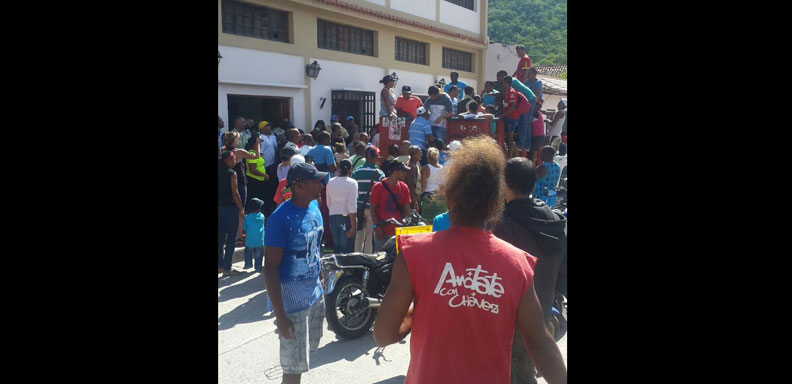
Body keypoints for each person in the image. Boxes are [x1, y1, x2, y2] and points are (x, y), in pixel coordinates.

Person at [373, 136, 567, 384]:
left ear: (449, 196)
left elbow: (383, 335)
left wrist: (416, 311)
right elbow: (540, 344)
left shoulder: (413, 254)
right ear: (496, 204)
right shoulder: (518, 264)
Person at [492, 157, 566, 384]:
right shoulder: (556, 221)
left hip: (504, 319)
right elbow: (563, 279)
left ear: (504, 183)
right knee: (525, 376)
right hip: (541, 317)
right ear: (534, 185)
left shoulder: (500, 224)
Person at [264, 162, 328, 384]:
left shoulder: (314, 207)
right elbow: (270, 267)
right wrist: (281, 316)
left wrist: (319, 275)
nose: (321, 185)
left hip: (314, 294)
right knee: (293, 365)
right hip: (291, 303)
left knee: (310, 349)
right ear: (299, 186)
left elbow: (316, 246)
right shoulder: (280, 219)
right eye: (315, 181)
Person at [222, 131, 260, 239]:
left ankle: (227, 233)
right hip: (239, 182)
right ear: (234, 141)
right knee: (240, 208)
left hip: (225, 182)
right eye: (237, 139)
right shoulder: (239, 152)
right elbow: (256, 156)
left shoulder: (222, 151)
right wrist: (257, 144)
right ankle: (239, 234)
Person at [370, 161, 412, 252]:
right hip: (382, 232)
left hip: (398, 233)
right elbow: (372, 209)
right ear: (395, 172)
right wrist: (377, 228)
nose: (405, 173)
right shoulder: (378, 187)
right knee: (379, 259)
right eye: (403, 171)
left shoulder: (404, 187)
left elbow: (406, 209)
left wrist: (406, 225)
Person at [350, 146, 386, 253]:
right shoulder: (380, 174)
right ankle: (368, 258)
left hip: (359, 210)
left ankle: (357, 257)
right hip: (372, 211)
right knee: (370, 235)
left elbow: (353, 191)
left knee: (359, 235)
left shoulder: (356, 172)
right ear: (375, 158)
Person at [307, 131, 337, 250]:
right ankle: (328, 242)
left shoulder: (311, 150)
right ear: (325, 140)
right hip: (324, 184)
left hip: (311, 185)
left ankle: (316, 242)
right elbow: (331, 167)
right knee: (325, 213)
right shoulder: (327, 150)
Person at [218, 151, 245, 277]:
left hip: (219, 208)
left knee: (220, 237)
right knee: (231, 238)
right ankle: (227, 267)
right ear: (228, 160)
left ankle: (220, 265)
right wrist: (241, 209)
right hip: (230, 208)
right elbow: (235, 193)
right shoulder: (231, 174)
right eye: (233, 159)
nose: (235, 161)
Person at [326, 159, 359, 254]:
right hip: (346, 217)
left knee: (337, 248)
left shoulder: (330, 182)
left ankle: (337, 268)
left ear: (338, 168)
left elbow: (329, 202)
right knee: (346, 250)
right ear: (350, 170)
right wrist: (353, 226)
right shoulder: (352, 183)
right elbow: (352, 205)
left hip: (333, 217)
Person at [496, 76, 522, 157]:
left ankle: (510, 156)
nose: (502, 84)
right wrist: (497, 114)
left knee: (510, 138)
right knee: (503, 135)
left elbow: (512, 107)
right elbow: (505, 106)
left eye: (503, 82)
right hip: (506, 117)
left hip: (512, 118)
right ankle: (505, 154)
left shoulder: (512, 92)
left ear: (506, 83)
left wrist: (501, 116)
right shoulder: (507, 92)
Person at [419, 147, 447, 223]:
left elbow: (423, 184)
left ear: (428, 157)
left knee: (427, 220)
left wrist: (419, 195)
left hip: (428, 197)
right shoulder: (443, 168)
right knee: (440, 220)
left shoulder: (425, 168)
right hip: (440, 197)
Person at [259, 121, 280, 217]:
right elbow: (261, 153)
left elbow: (276, 149)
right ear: (262, 128)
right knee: (266, 187)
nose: (269, 128)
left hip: (273, 165)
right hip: (265, 165)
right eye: (267, 126)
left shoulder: (273, 137)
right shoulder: (260, 138)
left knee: (273, 186)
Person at [242, 198, 267, 273]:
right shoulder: (262, 216)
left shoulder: (247, 217)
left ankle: (248, 264)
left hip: (249, 241)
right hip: (260, 241)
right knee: (259, 255)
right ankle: (258, 267)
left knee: (247, 252)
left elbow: (244, 228)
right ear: (259, 208)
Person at [245, 135, 270, 207]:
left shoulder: (255, 153)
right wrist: (264, 175)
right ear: (254, 144)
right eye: (259, 143)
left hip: (259, 181)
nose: (260, 144)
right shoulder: (252, 154)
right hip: (254, 181)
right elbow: (252, 170)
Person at [405, 146, 423, 211]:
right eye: (419, 153)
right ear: (414, 155)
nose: (421, 155)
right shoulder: (411, 167)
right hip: (411, 199)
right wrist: (415, 202)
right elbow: (411, 186)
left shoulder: (416, 164)